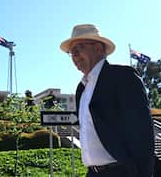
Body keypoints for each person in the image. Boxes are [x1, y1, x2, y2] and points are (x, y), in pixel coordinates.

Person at [60, 24, 155, 177]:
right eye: (71, 52)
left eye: (79, 49)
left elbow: (142, 134)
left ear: (98, 48)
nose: (75, 56)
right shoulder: (81, 89)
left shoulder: (123, 77)